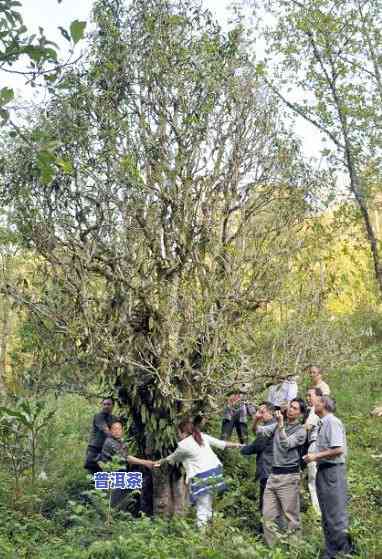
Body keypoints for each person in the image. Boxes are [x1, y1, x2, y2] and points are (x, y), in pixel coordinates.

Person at [155, 419, 242, 528]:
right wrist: (238, 445)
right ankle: (210, 533)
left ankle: (202, 537)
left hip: (202, 477)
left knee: (202, 508)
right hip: (215, 472)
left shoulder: (183, 445)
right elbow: (222, 444)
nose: (178, 435)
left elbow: (171, 458)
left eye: (178, 433)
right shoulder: (201, 436)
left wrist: (158, 463)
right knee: (208, 505)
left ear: (183, 432)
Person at [304, 396, 354, 559]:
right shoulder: (323, 423)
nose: (313, 404)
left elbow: (338, 449)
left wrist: (315, 456)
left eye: (316, 402)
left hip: (333, 471)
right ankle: (331, 551)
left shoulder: (332, 422)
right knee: (327, 513)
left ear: (323, 404)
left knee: (336, 514)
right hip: (324, 470)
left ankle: (343, 552)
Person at [260, 398, 307, 547]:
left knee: (291, 516)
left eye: (295, 408)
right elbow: (259, 431)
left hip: (289, 476)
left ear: (300, 413)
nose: (290, 410)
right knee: (267, 515)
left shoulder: (301, 431)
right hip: (273, 475)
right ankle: (272, 549)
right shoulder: (277, 425)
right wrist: (257, 419)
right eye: (290, 407)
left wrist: (280, 426)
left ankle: (295, 550)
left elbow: (286, 444)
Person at [97, 421, 155, 509]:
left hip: (119, 476)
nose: (117, 431)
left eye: (119, 429)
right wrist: (146, 463)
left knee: (136, 488)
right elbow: (127, 458)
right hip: (112, 477)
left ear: (122, 431)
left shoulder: (119, 442)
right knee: (115, 505)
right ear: (110, 431)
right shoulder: (110, 442)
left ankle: (134, 513)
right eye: (114, 429)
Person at [240, 401, 277, 512]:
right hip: (270, 467)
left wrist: (242, 449)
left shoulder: (271, 426)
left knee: (266, 501)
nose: (259, 415)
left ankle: (265, 527)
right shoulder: (268, 425)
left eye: (262, 412)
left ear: (271, 413)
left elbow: (258, 445)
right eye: (258, 412)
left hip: (268, 467)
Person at [84, 397, 118, 475]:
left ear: (113, 406)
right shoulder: (98, 416)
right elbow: (106, 430)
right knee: (95, 476)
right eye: (104, 404)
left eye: (108, 404)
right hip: (94, 450)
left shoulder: (114, 419)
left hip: (106, 451)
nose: (106, 406)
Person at [304, 387, 323, 514]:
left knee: (313, 481)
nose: (308, 398)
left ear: (318, 397)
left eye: (310, 395)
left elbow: (307, 427)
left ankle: (317, 512)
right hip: (321, 446)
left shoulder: (314, 411)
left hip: (314, 445)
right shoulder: (320, 410)